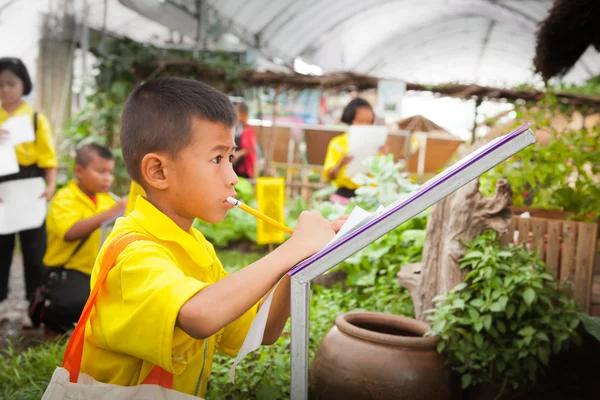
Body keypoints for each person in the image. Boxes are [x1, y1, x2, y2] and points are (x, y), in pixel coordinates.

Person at [79, 77, 347, 397]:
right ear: (158, 172)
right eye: (217, 159)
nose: (233, 178)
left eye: (231, 158)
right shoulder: (132, 253)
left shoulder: (196, 248)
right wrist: (291, 249)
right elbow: (200, 316)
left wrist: (303, 257)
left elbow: (259, 331)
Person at [38, 144, 127, 340]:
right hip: (66, 271)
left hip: (94, 272)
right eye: (100, 171)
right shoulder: (65, 198)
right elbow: (70, 232)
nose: (107, 178)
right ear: (79, 170)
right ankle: (48, 348)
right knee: (62, 311)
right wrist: (113, 211)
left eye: (110, 172)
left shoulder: (107, 200)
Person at [0, 57, 57, 319]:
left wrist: (50, 184)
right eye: (0, 84)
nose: (5, 89)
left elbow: (48, 157)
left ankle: (32, 308)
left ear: (24, 84)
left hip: (30, 184)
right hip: (2, 187)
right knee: (1, 247)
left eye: (11, 83)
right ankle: (1, 303)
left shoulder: (35, 118)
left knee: (35, 250)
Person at [323, 97, 388, 204]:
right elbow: (330, 177)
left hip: (370, 199)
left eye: (369, 122)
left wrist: (385, 156)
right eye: (360, 121)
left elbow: (383, 175)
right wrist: (341, 164)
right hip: (343, 198)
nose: (365, 125)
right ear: (350, 120)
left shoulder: (378, 146)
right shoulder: (337, 143)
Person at [233, 103, 257, 179]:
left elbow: (251, 148)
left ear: (243, 114)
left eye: (238, 114)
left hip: (244, 169)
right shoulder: (239, 128)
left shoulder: (248, 130)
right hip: (238, 167)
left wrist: (238, 154)